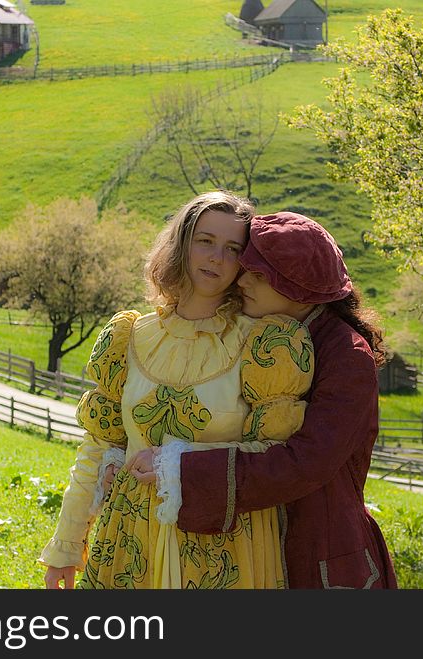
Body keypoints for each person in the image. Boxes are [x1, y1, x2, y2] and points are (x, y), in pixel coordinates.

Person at [39, 192, 315, 589]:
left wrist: (179, 464)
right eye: (205, 241)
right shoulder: (129, 336)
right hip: (131, 542)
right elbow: (97, 448)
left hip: (225, 548)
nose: (216, 257)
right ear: (181, 244)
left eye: (232, 248)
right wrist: (66, 546)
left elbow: (276, 460)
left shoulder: (266, 346)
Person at [127, 211, 398, 589]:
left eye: (258, 275)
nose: (242, 280)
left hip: (321, 555)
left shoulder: (347, 356)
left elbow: (306, 461)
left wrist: (181, 469)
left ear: (297, 287)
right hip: (253, 545)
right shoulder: (260, 332)